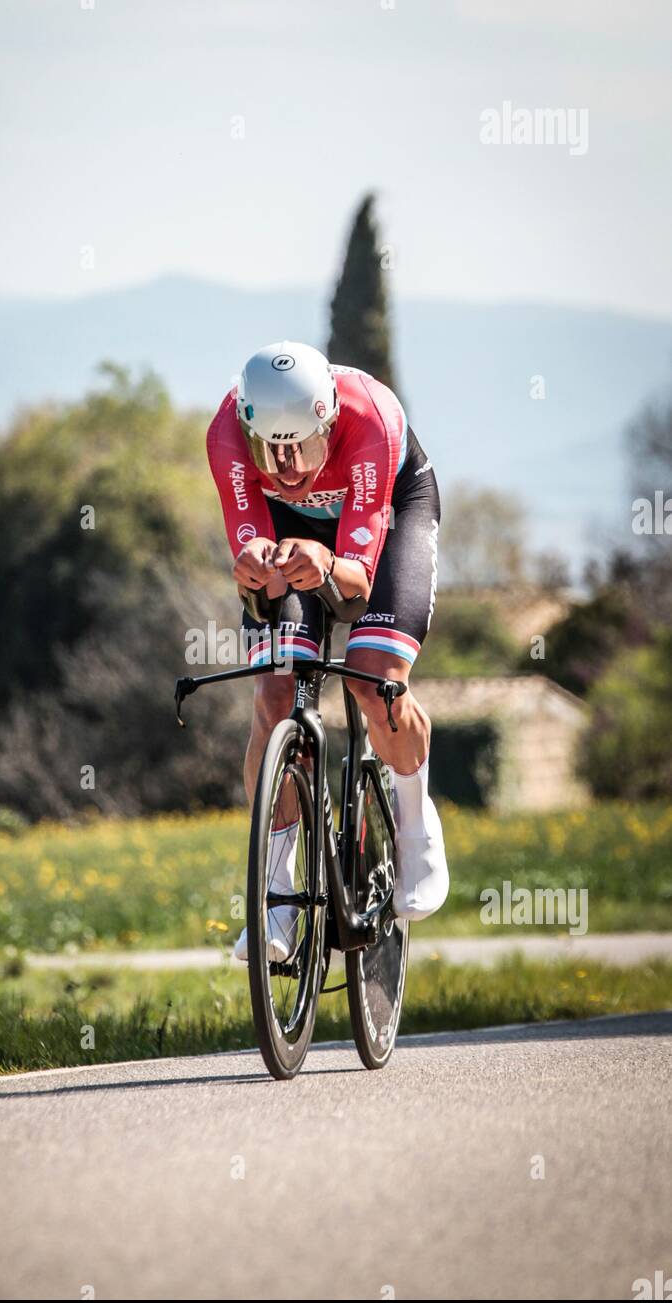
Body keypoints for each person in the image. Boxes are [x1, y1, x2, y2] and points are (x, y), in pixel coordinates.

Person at [207, 341, 448, 962]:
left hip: (388, 520)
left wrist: (331, 561)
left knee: (374, 681)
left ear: (329, 421)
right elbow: (249, 538)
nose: (286, 470)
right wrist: (255, 564)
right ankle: (279, 899)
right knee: (274, 694)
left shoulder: (367, 420)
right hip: (296, 535)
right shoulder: (226, 433)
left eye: (302, 450)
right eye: (271, 453)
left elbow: (357, 586)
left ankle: (418, 830)